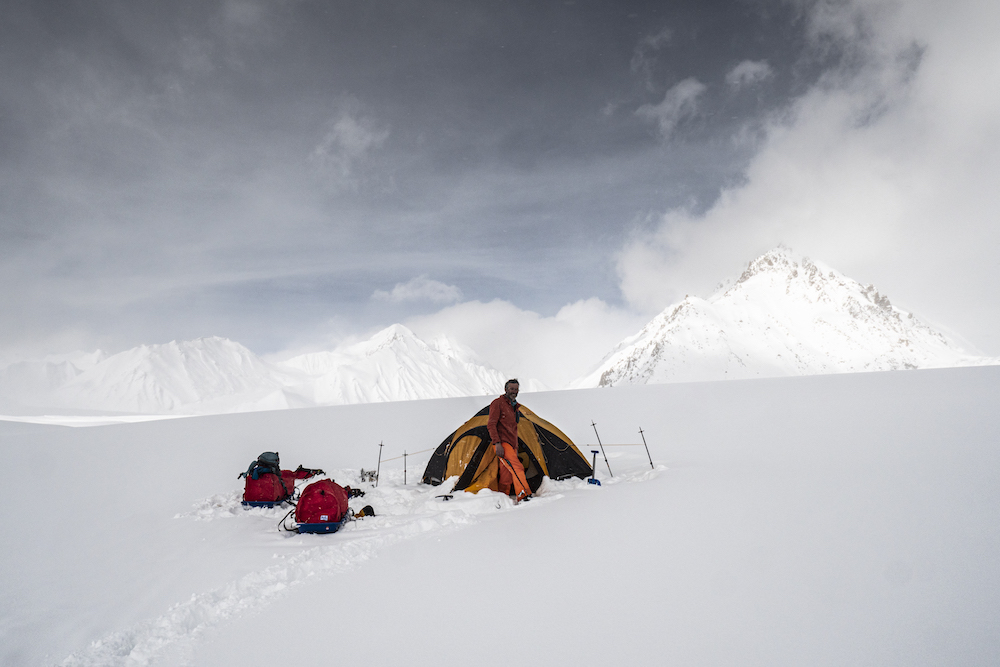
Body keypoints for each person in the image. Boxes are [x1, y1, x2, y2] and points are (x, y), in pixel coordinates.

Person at [487, 378, 531, 502]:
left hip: (511, 445)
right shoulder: (497, 403)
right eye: (512, 389)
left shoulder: (514, 407)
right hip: (502, 443)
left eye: (516, 389)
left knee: (506, 472)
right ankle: (524, 494)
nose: (514, 391)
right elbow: (491, 424)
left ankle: (503, 495)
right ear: (505, 389)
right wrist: (497, 443)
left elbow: (514, 430)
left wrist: (515, 447)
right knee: (518, 468)